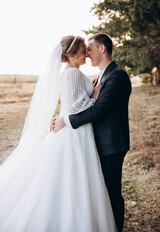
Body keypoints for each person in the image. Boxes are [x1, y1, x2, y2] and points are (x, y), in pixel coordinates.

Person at [0, 35, 117, 232]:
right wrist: (95, 97)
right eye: (82, 51)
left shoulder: (73, 73)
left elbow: (74, 102)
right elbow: (75, 106)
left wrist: (91, 92)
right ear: (71, 54)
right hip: (75, 133)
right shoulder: (72, 74)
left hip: (79, 130)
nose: (86, 55)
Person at [52, 33, 132, 232]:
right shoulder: (102, 76)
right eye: (84, 50)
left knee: (112, 194)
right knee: (99, 194)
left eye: (90, 49)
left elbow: (98, 110)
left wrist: (66, 120)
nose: (87, 53)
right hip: (96, 142)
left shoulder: (117, 76)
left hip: (111, 145)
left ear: (102, 48)